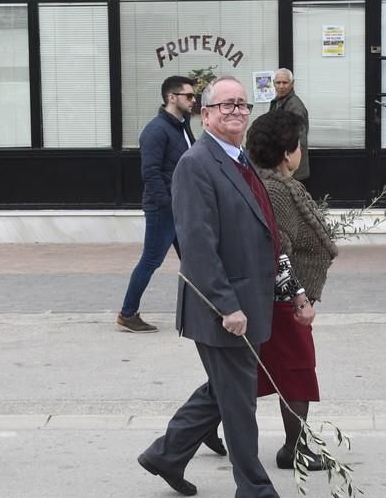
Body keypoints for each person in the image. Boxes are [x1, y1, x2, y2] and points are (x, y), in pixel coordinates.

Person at [138, 76, 311, 497]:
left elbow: (267, 233)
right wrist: (226, 305)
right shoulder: (196, 164)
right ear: (207, 114)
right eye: (225, 105)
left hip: (253, 302)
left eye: (242, 104)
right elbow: (197, 244)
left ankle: (167, 454)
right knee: (238, 403)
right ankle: (254, 488)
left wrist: (293, 290)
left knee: (224, 391)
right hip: (224, 308)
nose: (236, 111)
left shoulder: (241, 159)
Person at [247, 109, 338, 471]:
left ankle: (192, 434)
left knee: (252, 373)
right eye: (298, 144)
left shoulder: (277, 185)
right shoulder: (277, 191)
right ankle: (294, 449)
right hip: (282, 301)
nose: (301, 151)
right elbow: (277, 250)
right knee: (296, 372)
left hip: (280, 298)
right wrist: (298, 297)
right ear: (287, 153)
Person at [116, 76, 196, 333]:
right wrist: (168, 204)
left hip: (182, 206)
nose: (193, 100)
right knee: (151, 260)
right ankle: (127, 313)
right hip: (164, 208)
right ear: (172, 98)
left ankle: (205, 310)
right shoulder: (155, 130)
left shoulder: (182, 125)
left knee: (195, 258)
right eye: (189, 96)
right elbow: (150, 172)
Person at [270, 68, 310, 181]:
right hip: (281, 164)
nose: (281, 86)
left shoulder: (295, 106)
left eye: (285, 82)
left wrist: (290, 164)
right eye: (278, 82)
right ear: (273, 83)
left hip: (291, 169)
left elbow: (299, 139)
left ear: (292, 84)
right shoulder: (277, 102)